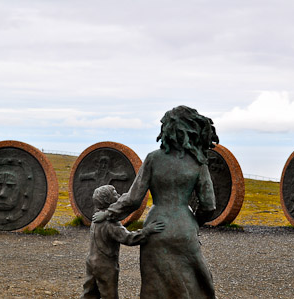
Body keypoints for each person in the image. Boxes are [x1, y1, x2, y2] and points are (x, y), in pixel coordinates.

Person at [93, 105, 218, 299]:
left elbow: (133, 199)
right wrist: (193, 221)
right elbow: (209, 205)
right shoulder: (198, 162)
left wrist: (109, 214)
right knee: (193, 283)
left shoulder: (153, 159)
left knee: (156, 284)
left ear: (167, 130)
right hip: (184, 225)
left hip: (157, 225)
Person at [81, 185, 165, 299]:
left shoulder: (96, 218)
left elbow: (126, 197)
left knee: (89, 294)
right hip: (105, 266)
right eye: (115, 193)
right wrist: (147, 231)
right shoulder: (111, 223)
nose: (119, 195)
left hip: (91, 262)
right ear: (107, 200)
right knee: (109, 295)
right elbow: (128, 238)